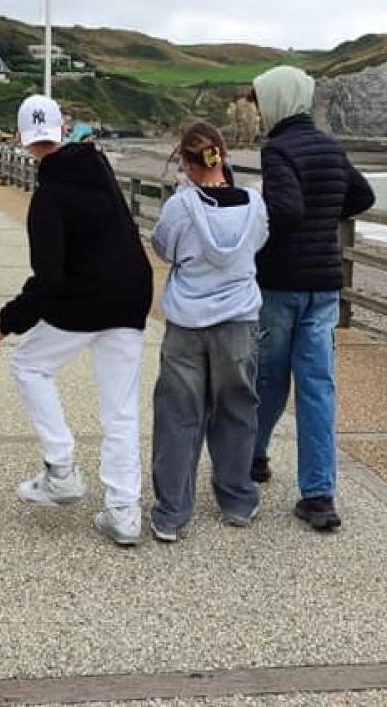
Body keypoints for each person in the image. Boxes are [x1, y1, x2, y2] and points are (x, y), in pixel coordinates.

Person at [0, 95, 153, 547]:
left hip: (84, 301)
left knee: (29, 366)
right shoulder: (101, 173)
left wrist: (9, 321)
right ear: (63, 130)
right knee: (120, 410)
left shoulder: (49, 197)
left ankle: (61, 470)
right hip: (130, 295)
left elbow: (49, 279)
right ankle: (124, 512)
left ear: (21, 140)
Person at [247, 66, 375, 533]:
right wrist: (325, 218)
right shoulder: (330, 146)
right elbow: (363, 195)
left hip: (281, 283)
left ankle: (254, 458)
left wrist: (267, 233)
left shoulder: (278, 150)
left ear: (278, 101)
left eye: (260, 101)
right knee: (318, 386)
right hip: (324, 285)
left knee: (270, 378)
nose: (258, 112)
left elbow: (284, 210)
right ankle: (319, 495)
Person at [148, 121, 269, 542]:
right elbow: (259, 244)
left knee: (178, 415)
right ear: (224, 157)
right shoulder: (254, 204)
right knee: (237, 408)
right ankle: (237, 499)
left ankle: (172, 511)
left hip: (187, 323)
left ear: (184, 160)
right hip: (239, 321)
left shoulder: (180, 207)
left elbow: (164, 248)